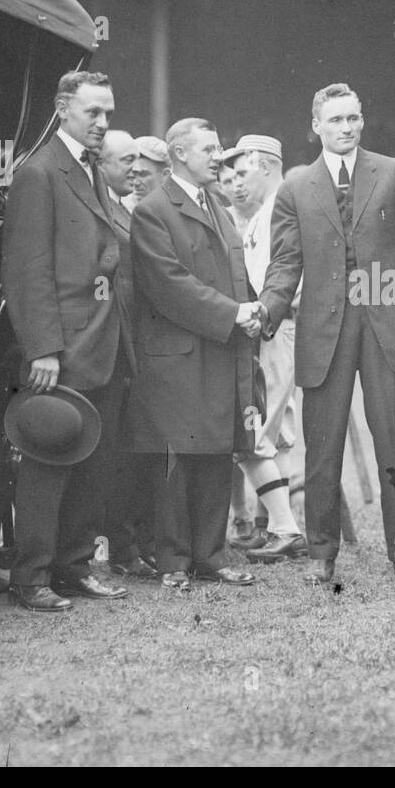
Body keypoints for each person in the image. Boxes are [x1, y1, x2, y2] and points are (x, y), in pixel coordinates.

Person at [259, 83, 395, 586]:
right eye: (335, 120)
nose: (346, 128)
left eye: (353, 118)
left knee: (394, 444)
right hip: (324, 331)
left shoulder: (394, 174)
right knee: (323, 447)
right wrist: (266, 311)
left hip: (384, 329)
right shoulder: (294, 187)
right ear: (316, 125)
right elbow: (286, 263)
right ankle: (321, 555)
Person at [0, 71, 130, 612]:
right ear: (62, 109)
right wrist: (43, 348)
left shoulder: (89, 169)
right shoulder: (39, 172)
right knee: (50, 457)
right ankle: (29, 578)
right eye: (92, 113)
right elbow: (26, 270)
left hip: (104, 344)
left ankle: (73, 567)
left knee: (92, 461)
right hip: (65, 347)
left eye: (108, 114)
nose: (103, 124)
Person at [122, 118, 260, 590]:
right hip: (177, 357)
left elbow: (232, 274)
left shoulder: (216, 204)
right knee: (177, 461)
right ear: (179, 154)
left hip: (217, 348)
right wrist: (234, 314)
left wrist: (252, 309)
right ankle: (174, 562)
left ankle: (212, 557)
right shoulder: (154, 210)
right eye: (208, 148)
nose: (218, 156)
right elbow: (168, 286)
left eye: (219, 147)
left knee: (216, 454)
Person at [229, 134, 308, 563]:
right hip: (279, 328)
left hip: (274, 327)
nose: (237, 181)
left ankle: (284, 528)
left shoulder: (280, 203)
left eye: (242, 171)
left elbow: (277, 280)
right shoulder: (265, 210)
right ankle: (272, 526)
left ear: (263, 163)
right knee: (276, 435)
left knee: (252, 434)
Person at [95, 130, 157, 578]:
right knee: (115, 454)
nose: (135, 169)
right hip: (114, 345)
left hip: (136, 344)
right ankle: (121, 547)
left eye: (140, 160)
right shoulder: (102, 208)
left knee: (130, 453)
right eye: (126, 160)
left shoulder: (121, 208)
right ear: (101, 163)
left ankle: (131, 543)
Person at [125, 135, 168, 211]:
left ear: (165, 175)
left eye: (143, 175)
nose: (135, 183)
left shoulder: (177, 212)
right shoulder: (121, 209)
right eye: (133, 174)